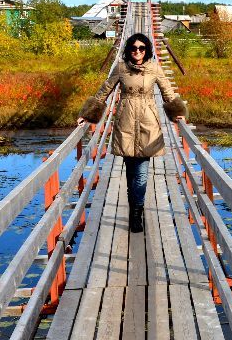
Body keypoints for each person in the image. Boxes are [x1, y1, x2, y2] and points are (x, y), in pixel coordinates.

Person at [78, 33, 187, 233]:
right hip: (125, 122)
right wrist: (88, 115)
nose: (138, 51)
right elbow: (105, 91)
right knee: (131, 173)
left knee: (142, 174)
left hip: (148, 123)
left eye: (142, 48)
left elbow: (167, 92)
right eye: (134, 48)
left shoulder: (154, 68)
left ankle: (137, 213)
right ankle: (134, 208)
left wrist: (177, 114)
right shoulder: (121, 68)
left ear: (147, 50)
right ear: (128, 50)